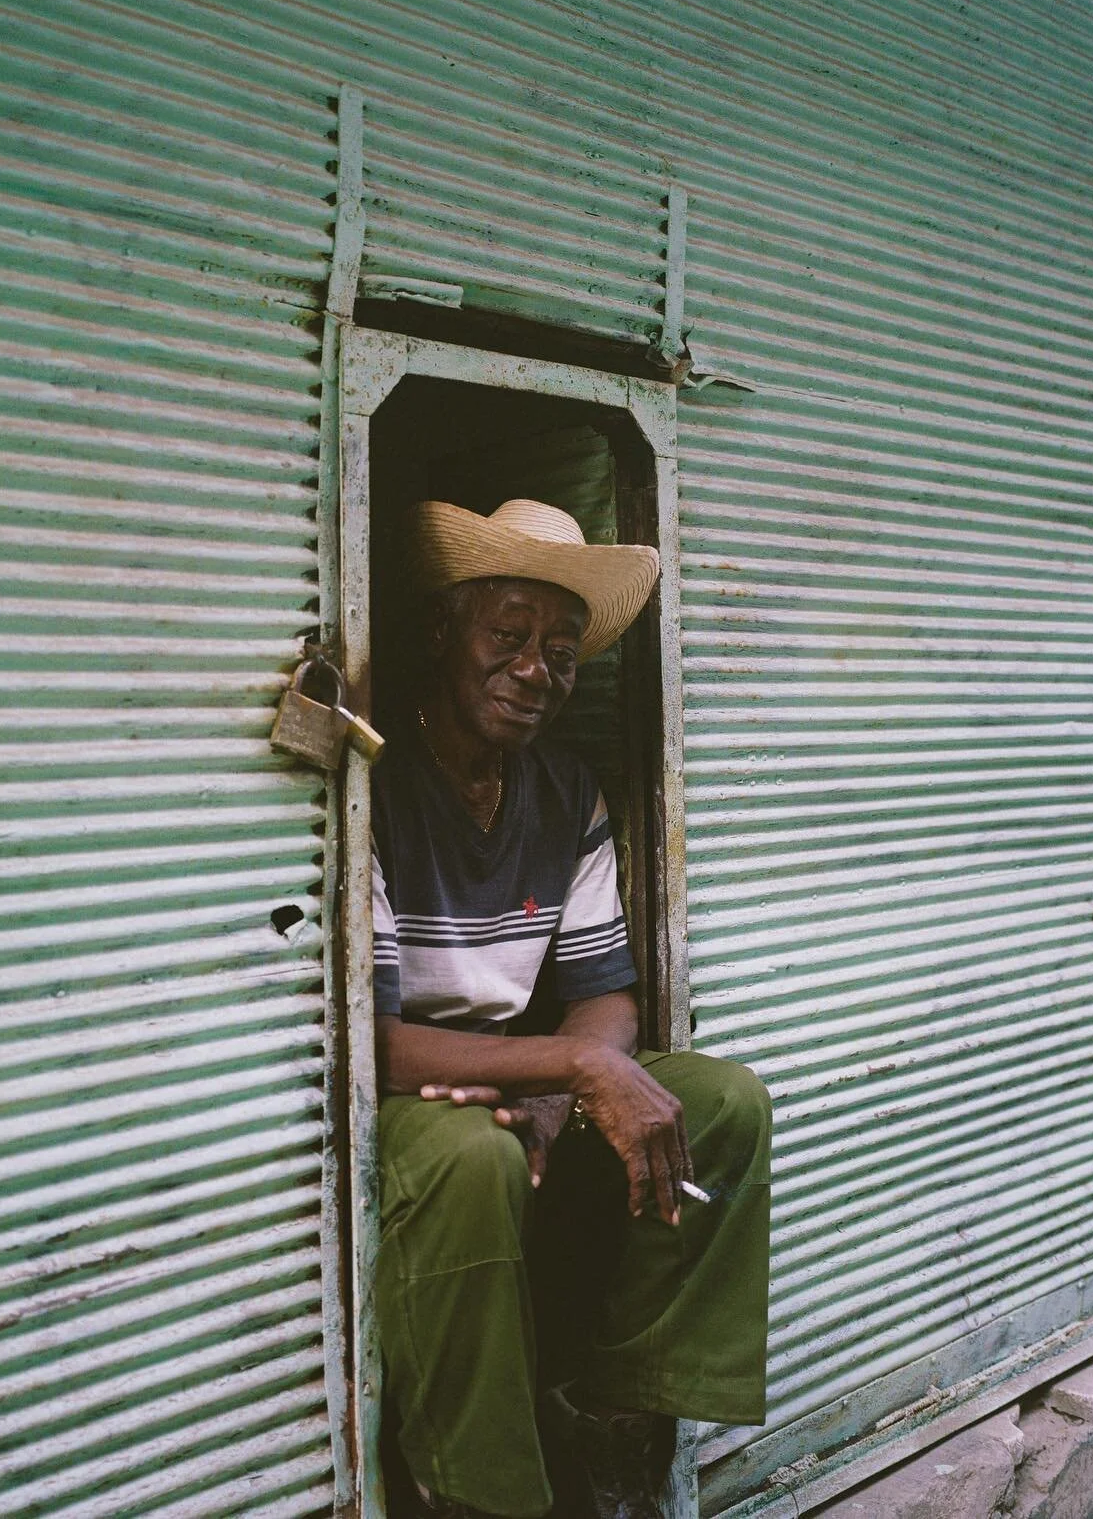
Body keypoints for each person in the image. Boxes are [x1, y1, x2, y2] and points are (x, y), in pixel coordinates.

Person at [372, 497, 772, 1519]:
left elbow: (603, 995)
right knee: (473, 1159)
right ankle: (479, 1488)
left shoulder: (564, 789)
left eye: (559, 653)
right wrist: (573, 1067)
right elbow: (370, 1042)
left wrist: (562, 1087)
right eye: (507, 636)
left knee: (721, 1100)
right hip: (406, 1084)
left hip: (519, 1067)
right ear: (441, 632)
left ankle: (617, 1415)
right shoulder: (370, 785)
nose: (534, 670)